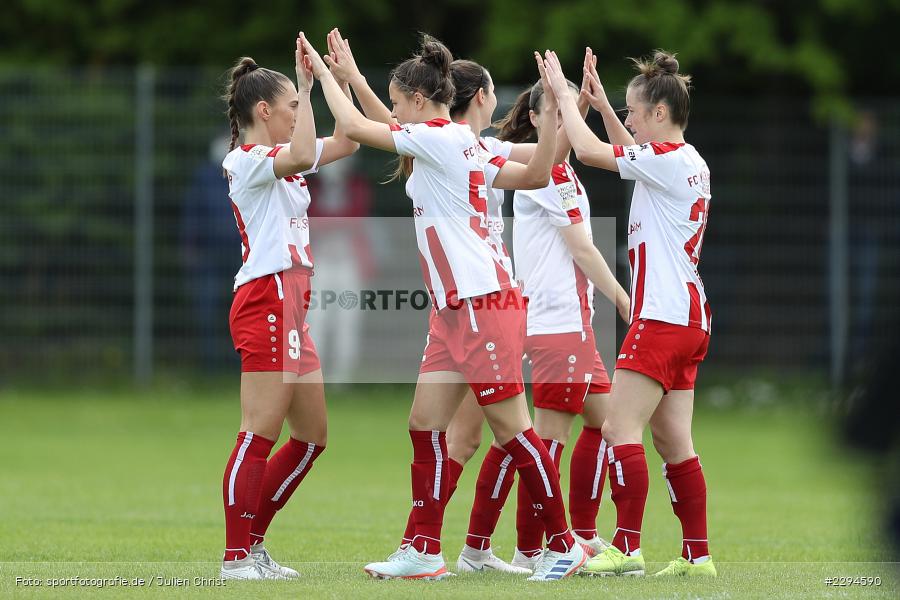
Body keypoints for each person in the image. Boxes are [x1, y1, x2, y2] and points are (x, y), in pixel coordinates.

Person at [302, 31, 587, 581]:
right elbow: (534, 172)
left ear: (417, 100)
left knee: (514, 431)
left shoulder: (437, 139)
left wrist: (326, 77)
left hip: (482, 302)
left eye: (396, 98)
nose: (394, 110)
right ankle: (424, 548)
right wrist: (354, 78)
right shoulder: (455, 139)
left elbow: (362, 128)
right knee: (424, 424)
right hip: (455, 309)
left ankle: (564, 543)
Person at [540, 47, 716, 577]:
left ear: (659, 114)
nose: (631, 121)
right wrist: (603, 105)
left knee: (618, 427)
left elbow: (592, 152)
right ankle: (697, 555)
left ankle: (626, 546)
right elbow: (629, 150)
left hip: (660, 316)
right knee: (673, 441)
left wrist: (564, 98)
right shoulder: (684, 160)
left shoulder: (664, 160)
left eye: (635, 112)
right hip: (689, 319)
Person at [218, 35, 359, 580]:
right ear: (264, 111)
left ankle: (253, 545)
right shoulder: (247, 159)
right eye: (294, 108)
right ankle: (236, 557)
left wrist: (336, 80)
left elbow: (347, 140)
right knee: (259, 430)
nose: (302, 115)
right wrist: (304, 81)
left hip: (293, 303)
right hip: (266, 298)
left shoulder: (281, 157)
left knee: (312, 437)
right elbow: (303, 152)